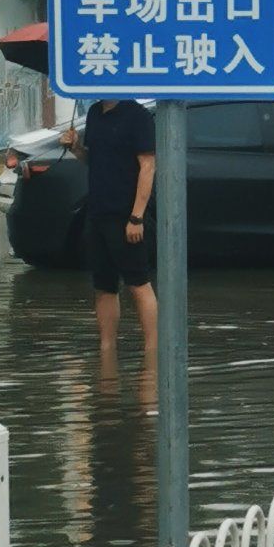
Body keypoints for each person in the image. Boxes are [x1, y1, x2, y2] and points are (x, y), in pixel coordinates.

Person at [64, 99, 158, 356]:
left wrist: (136, 216)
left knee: (138, 283)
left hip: (126, 215)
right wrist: (75, 148)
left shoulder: (137, 116)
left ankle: (152, 353)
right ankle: (107, 351)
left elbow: (148, 167)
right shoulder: (95, 113)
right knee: (103, 286)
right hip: (97, 214)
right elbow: (94, 160)